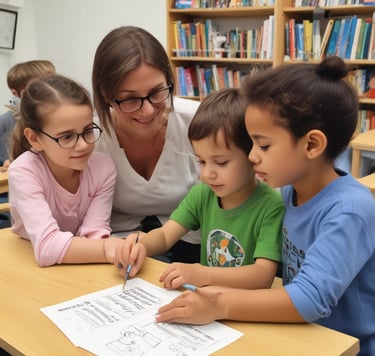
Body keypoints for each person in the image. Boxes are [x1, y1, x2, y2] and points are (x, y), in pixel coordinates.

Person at [154, 57, 375, 356]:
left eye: (263, 145)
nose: (252, 156)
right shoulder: (289, 193)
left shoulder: (349, 210)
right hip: (299, 333)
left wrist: (219, 303)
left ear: (312, 145)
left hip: (347, 346)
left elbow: (310, 298)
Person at [114, 88, 284, 290]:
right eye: (201, 161)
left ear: (253, 155)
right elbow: (166, 235)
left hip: (247, 308)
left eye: (221, 163)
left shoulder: (272, 205)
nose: (207, 174)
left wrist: (201, 273)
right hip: (207, 302)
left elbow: (262, 275)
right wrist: (141, 246)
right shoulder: (203, 193)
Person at [92, 26, 201, 263]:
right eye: (130, 99)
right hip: (114, 249)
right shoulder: (90, 138)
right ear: (106, 95)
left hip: (195, 245)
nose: (148, 110)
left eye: (157, 92)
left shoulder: (199, 122)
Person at [9, 74, 129, 267]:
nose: (82, 145)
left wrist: (111, 248)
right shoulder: (24, 171)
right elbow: (47, 248)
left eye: (88, 131)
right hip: (25, 260)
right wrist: (108, 248)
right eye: (66, 137)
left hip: (77, 259)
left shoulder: (103, 167)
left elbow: (95, 233)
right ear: (34, 139)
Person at [0, 60, 56, 167]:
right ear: (15, 93)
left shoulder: (56, 117)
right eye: (38, 90)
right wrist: (4, 162)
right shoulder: (3, 122)